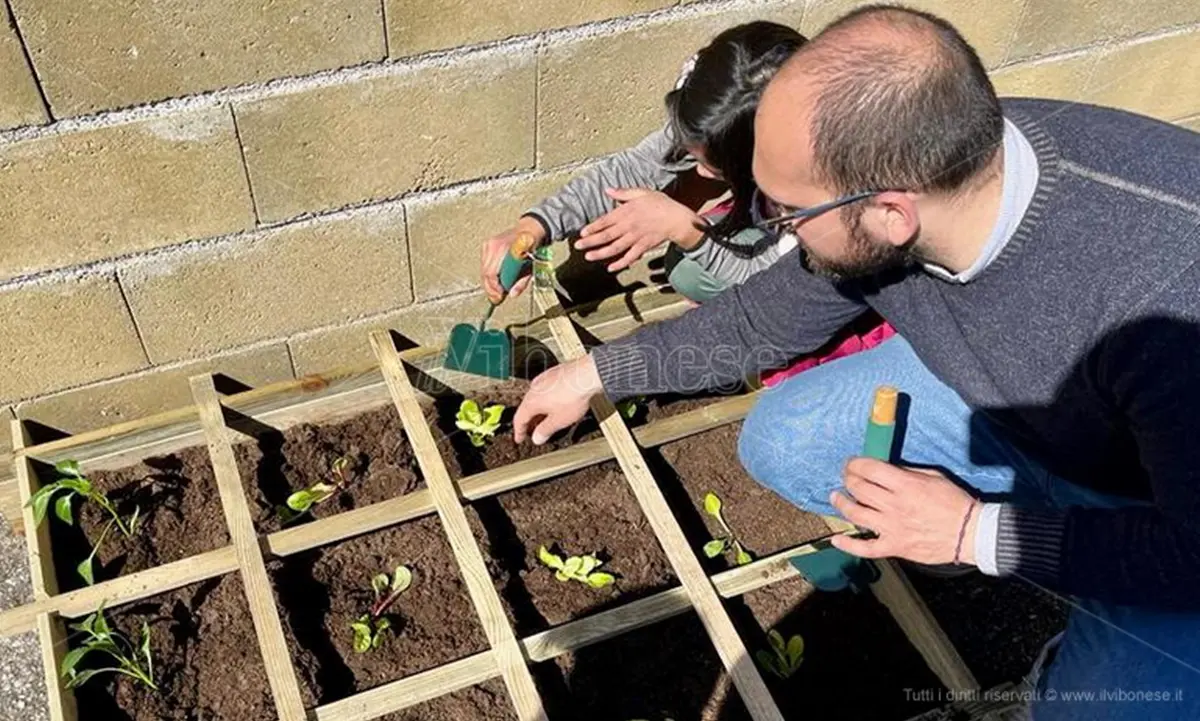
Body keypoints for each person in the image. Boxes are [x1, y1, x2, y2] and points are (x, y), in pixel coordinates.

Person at [510, 5, 1200, 721]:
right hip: (1066, 417)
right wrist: (593, 373)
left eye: (785, 215)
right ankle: (1057, 541)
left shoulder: (1167, 292)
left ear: (891, 214)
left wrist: (974, 531)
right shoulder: (929, 162)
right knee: (789, 436)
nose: (772, 225)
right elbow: (759, 320)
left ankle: (1079, 618)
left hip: (1177, 519)